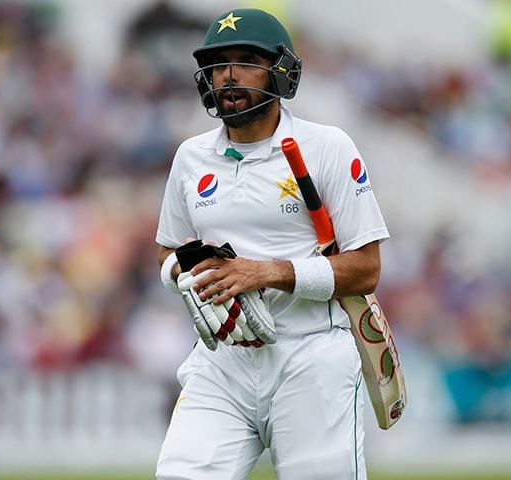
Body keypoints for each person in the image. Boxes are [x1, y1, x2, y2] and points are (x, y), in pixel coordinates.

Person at [155, 8, 389, 479]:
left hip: (311, 357)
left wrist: (264, 273)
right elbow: (168, 252)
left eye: (245, 60)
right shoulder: (190, 157)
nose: (228, 75)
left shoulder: (327, 146)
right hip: (222, 360)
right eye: (218, 64)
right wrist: (191, 273)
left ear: (281, 70)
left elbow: (365, 269)